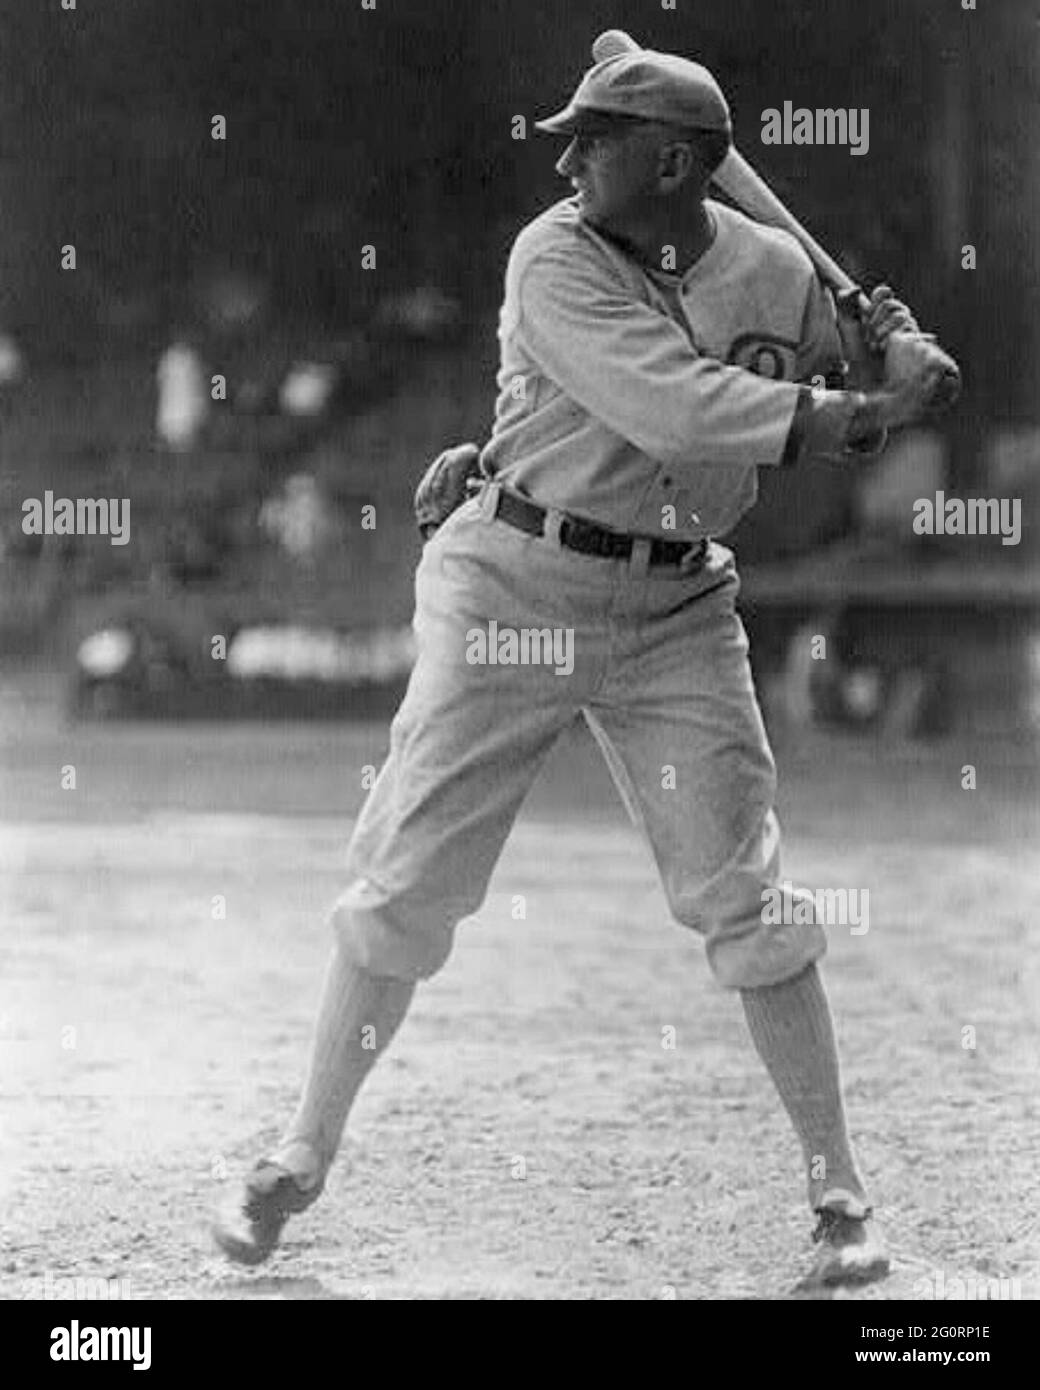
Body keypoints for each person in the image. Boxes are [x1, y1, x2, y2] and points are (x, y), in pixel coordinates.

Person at [213, 41, 942, 1287]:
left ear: (668, 163)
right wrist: (861, 411)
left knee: (748, 900)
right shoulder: (551, 254)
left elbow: (831, 388)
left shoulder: (773, 270)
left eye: (589, 139)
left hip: (676, 611)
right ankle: (297, 1153)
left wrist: (884, 355)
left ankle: (839, 1197)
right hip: (515, 581)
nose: (562, 159)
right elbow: (677, 405)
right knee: (407, 882)